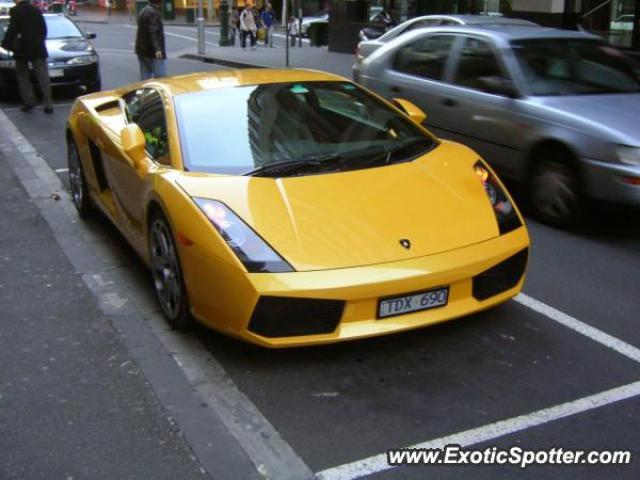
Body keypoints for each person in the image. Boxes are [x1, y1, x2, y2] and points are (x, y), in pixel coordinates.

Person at [1, 0, 53, 113]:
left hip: (22, 48)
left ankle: (29, 102)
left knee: (22, 75)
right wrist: (39, 41)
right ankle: (48, 104)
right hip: (38, 47)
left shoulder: (16, 10)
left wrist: (6, 43)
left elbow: (12, 29)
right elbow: (43, 29)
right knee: (43, 76)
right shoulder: (36, 10)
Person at [135, 0, 166, 80]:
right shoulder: (154, 13)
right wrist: (157, 49)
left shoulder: (143, 10)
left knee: (145, 79)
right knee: (160, 79)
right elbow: (153, 32)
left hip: (141, 51)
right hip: (152, 53)